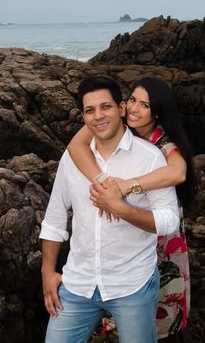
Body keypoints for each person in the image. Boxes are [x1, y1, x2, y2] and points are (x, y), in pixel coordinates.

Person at [40, 75, 180, 343]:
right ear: (83, 117)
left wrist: (121, 208)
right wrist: (47, 272)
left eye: (106, 107)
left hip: (132, 284)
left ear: (121, 109)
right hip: (77, 284)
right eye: (90, 110)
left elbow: (169, 220)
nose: (98, 116)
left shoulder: (150, 158)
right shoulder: (72, 159)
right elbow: (54, 220)